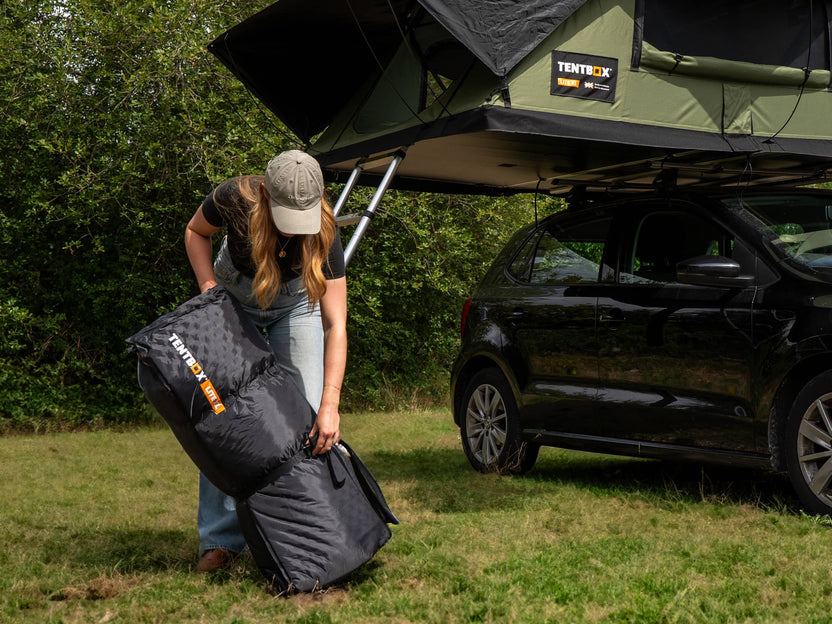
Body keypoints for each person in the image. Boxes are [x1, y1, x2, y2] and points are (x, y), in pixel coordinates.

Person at [184, 150, 347, 573]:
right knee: (222, 416)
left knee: (307, 417)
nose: (294, 229)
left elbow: (335, 325)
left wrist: (329, 405)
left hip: (294, 308)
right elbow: (195, 231)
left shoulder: (325, 230)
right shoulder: (234, 198)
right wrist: (208, 288)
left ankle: (302, 534)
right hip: (234, 300)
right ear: (264, 195)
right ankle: (221, 541)